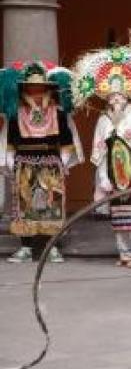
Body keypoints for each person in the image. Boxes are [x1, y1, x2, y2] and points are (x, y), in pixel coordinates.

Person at [73, 43, 131, 267]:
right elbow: (100, 150)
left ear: (128, 94)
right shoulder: (104, 119)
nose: (115, 97)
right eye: (111, 94)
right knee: (119, 217)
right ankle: (125, 253)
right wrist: (103, 176)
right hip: (114, 175)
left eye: (120, 93)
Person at [0, 60, 84, 263]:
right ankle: (26, 247)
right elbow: (11, 141)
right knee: (24, 205)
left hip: (51, 162)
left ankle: (51, 246)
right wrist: (11, 161)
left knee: (51, 205)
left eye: (40, 86)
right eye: (30, 86)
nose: (35, 90)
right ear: (24, 88)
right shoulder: (16, 113)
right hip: (24, 162)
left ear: (48, 88)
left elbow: (66, 141)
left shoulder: (58, 112)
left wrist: (62, 162)